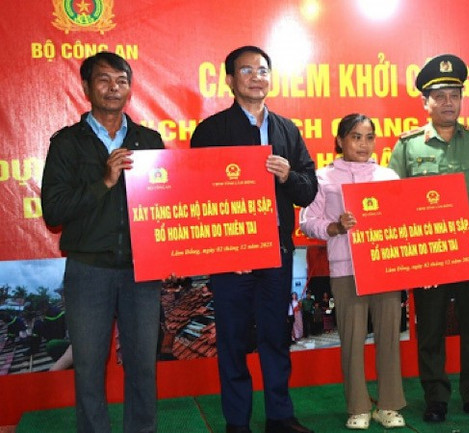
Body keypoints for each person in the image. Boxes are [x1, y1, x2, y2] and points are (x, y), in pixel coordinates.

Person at [190, 46, 317, 433]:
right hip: (231, 258)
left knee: (276, 337)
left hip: (276, 253)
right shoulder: (211, 131)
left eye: (262, 70)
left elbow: (308, 190)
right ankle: (237, 423)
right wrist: (229, 248)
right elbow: (197, 196)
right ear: (230, 80)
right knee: (232, 341)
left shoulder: (287, 130)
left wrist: (287, 176)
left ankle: (280, 416)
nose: (256, 77)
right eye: (246, 70)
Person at [40, 51, 164, 433]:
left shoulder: (149, 140)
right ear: (86, 87)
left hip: (142, 271)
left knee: (143, 366)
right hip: (88, 271)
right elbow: (53, 211)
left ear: (130, 88)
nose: (113, 88)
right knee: (89, 367)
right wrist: (105, 182)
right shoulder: (67, 143)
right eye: (104, 80)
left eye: (121, 81)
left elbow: (165, 204)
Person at [388, 54, 469, 423]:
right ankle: (436, 397)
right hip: (429, 246)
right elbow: (393, 196)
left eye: (454, 95)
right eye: (439, 96)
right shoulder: (408, 146)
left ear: (461, 99)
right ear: (425, 102)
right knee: (430, 325)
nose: (448, 103)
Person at [300, 113, 407, 430]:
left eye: (369, 137)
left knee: (389, 337)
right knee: (351, 338)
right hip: (346, 267)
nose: (363, 144)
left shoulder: (388, 176)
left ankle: (389, 406)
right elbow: (307, 222)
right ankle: (358, 407)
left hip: (385, 266)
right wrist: (335, 227)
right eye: (356, 137)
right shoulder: (323, 178)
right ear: (340, 140)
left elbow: (404, 220)